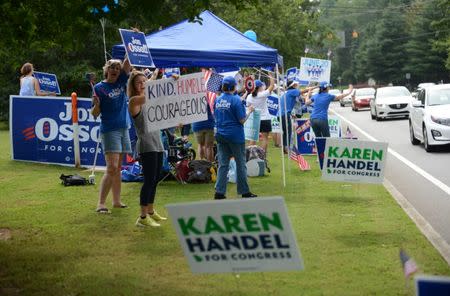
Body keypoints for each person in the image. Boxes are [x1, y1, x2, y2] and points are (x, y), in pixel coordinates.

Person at [127, 70, 167, 227]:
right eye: (139, 82)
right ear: (133, 86)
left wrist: (159, 77)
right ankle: (142, 217)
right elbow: (153, 92)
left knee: (155, 180)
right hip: (146, 145)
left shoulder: (148, 98)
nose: (143, 84)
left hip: (157, 143)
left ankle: (150, 211)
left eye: (144, 81)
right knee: (149, 180)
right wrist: (169, 82)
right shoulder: (134, 101)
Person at [91, 58, 132, 213]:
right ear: (106, 70)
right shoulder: (99, 88)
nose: (115, 69)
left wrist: (131, 42)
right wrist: (96, 104)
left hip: (124, 128)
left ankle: (116, 201)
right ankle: (101, 203)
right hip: (109, 130)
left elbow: (127, 65)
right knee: (112, 167)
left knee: (118, 168)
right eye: (112, 67)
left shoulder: (121, 81)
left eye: (117, 67)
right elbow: (95, 114)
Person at [214, 76, 257, 200]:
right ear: (234, 87)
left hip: (221, 134)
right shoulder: (236, 100)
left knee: (223, 164)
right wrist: (249, 111)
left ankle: (219, 192)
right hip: (235, 135)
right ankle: (244, 191)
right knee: (240, 163)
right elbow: (242, 120)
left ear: (223, 87)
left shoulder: (218, 100)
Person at [279, 80, 317, 153]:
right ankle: (287, 148)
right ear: (293, 86)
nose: (297, 86)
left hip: (281, 114)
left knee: (285, 132)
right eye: (296, 85)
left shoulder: (286, 92)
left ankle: (285, 148)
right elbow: (303, 91)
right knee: (288, 132)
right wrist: (311, 88)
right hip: (285, 114)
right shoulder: (292, 91)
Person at [246, 74, 275, 152]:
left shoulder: (249, 96)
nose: (263, 87)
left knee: (253, 138)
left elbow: (248, 106)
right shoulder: (262, 94)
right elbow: (272, 86)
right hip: (265, 119)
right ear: (259, 87)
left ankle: (249, 156)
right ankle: (262, 157)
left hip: (255, 119)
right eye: (262, 86)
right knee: (265, 139)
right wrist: (271, 76)